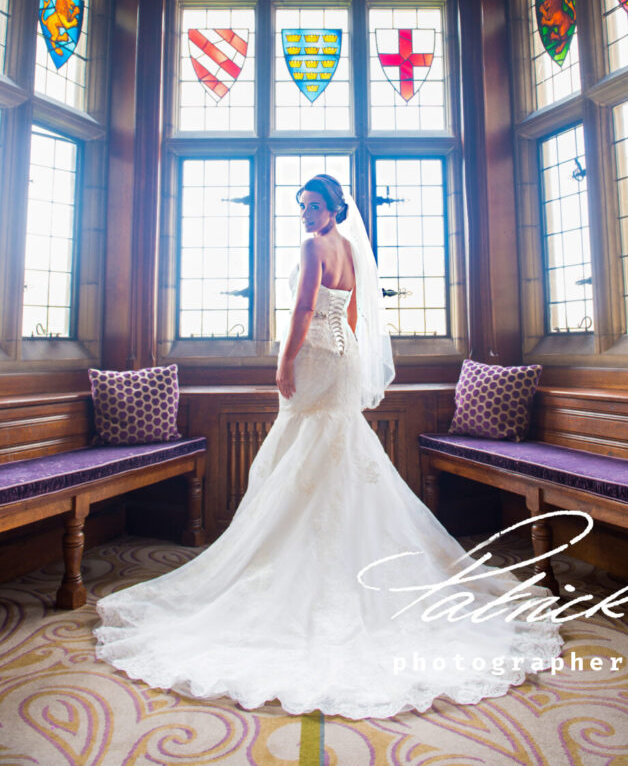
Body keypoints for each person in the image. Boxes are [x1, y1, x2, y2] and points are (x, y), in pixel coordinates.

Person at [93, 174, 564, 719]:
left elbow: (301, 309)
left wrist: (284, 362)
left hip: (315, 361)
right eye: (301, 207)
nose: (305, 214)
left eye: (313, 206)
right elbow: (355, 313)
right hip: (340, 362)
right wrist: (347, 356)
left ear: (334, 208)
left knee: (307, 449)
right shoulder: (349, 248)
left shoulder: (316, 246)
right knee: (328, 450)